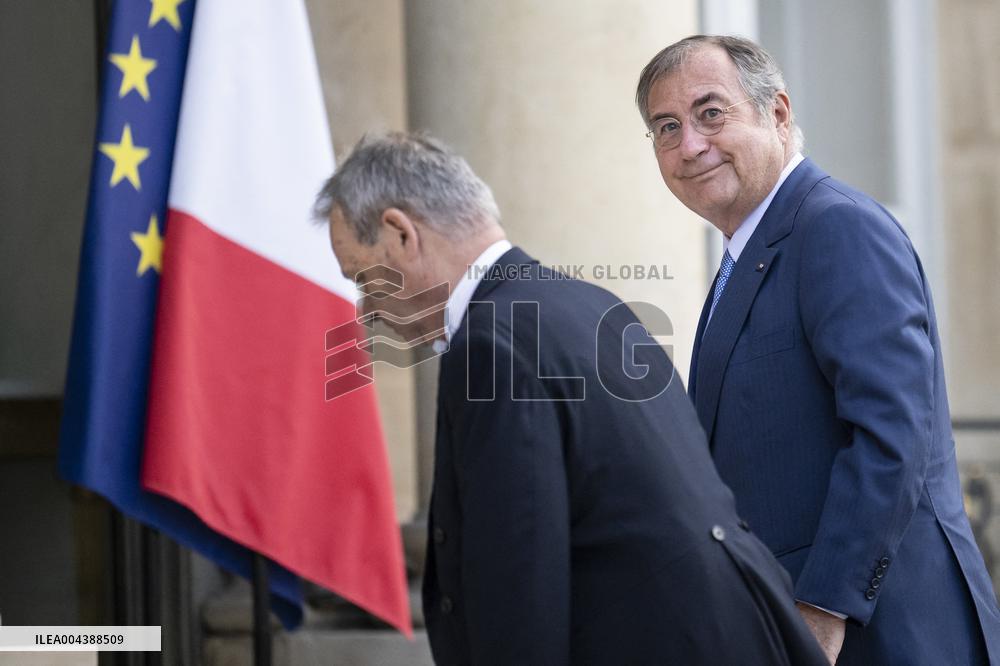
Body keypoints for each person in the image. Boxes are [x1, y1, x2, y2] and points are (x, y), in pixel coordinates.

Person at [314, 132, 826, 665]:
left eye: (363, 279)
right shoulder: (592, 305)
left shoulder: (491, 343)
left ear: (400, 234)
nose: (367, 310)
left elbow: (516, 579)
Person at [636, 34, 1000, 665]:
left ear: (777, 114)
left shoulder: (836, 227)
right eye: (666, 127)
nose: (690, 145)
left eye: (710, 114)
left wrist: (823, 611)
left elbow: (891, 436)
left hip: (882, 634)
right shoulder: (748, 254)